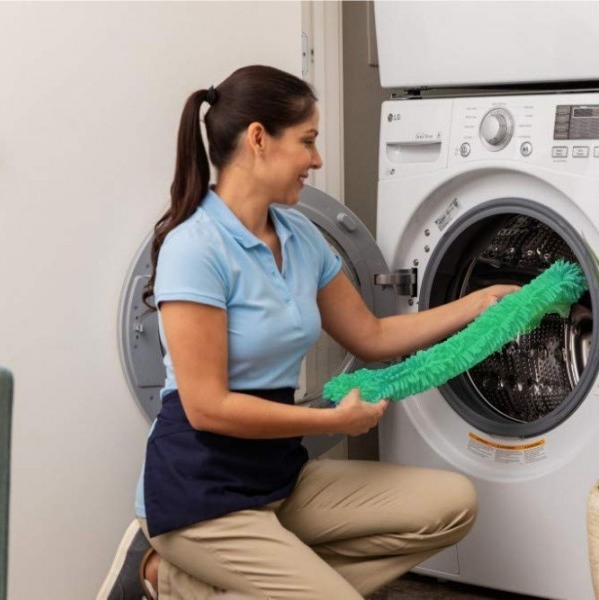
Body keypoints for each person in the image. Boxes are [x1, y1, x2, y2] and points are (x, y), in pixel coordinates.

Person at [98, 64, 518, 599]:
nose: (316, 161)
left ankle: (193, 588)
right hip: (202, 496)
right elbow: (206, 407)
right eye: (308, 141)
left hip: (279, 478)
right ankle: (169, 570)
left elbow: (371, 335)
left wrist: (478, 303)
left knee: (452, 506)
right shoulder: (195, 247)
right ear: (258, 139)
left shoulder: (299, 235)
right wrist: (333, 419)